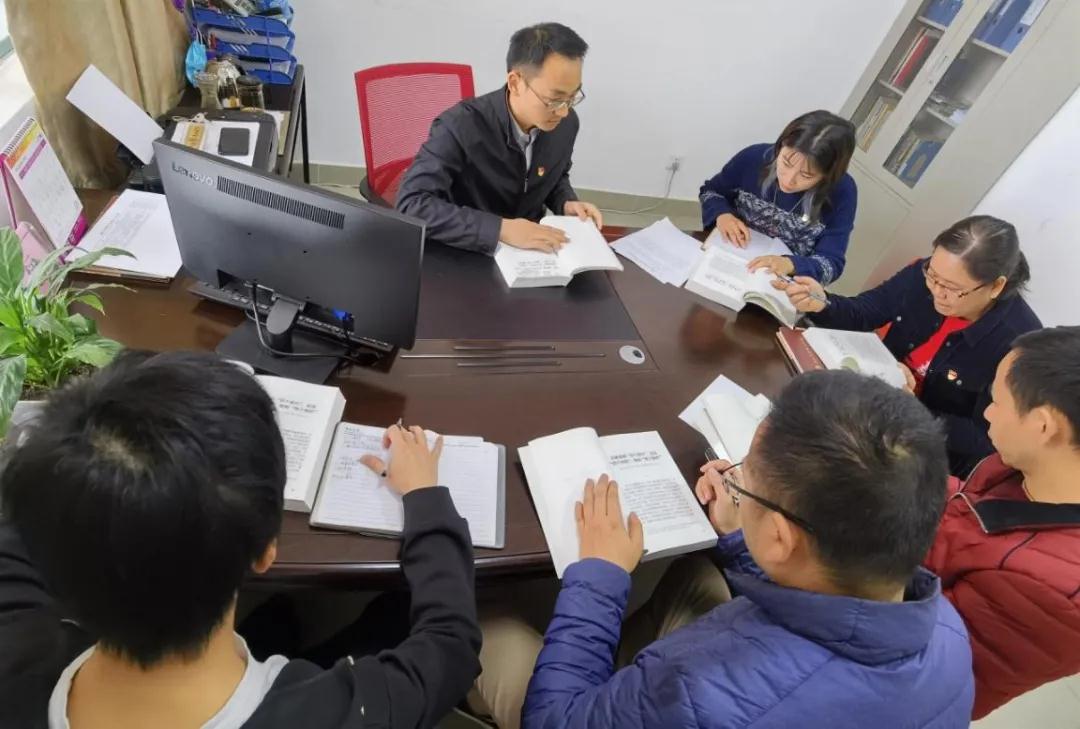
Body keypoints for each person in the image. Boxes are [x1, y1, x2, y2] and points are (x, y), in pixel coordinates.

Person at [0, 350, 480, 729]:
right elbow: (450, 643)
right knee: (387, 614)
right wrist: (424, 495)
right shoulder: (340, 713)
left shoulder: (16, 656)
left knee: (279, 622)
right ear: (266, 550)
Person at [477, 371, 973, 728]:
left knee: (484, 618)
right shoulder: (948, 631)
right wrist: (740, 537)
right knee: (697, 575)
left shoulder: (701, 691)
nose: (734, 483)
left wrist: (601, 575)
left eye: (744, 481)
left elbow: (554, 720)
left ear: (780, 537)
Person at [777, 215, 1041, 475]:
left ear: (995, 286)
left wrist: (913, 409)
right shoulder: (923, 275)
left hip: (924, 452)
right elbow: (866, 311)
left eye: (952, 288)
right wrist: (823, 303)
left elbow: (985, 438)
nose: (936, 291)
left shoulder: (1020, 345)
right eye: (932, 276)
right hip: (870, 404)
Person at [924, 326, 1080, 719]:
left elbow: (917, 668)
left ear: (1043, 425)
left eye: (996, 401)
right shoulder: (1027, 466)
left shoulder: (1053, 593)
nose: (988, 413)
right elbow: (963, 510)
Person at [396, 22, 601, 255]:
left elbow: (555, 175)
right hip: (468, 250)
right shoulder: (460, 125)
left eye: (572, 97)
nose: (564, 111)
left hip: (531, 253)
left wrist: (565, 202)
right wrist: (500, 229)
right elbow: (411, 204)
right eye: (555, 99)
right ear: (515, 83)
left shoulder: (566, 123)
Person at [699, 110, 857, 284]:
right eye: (786, 162)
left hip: (780, 282)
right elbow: (710, 191)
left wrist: (791, 264)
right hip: (728, 258)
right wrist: (722, 214)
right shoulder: (754, 158)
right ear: (780, 146)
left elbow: (831, 263)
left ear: (828, 176)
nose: (789, 180)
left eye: (806, 175)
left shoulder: (842, 191)